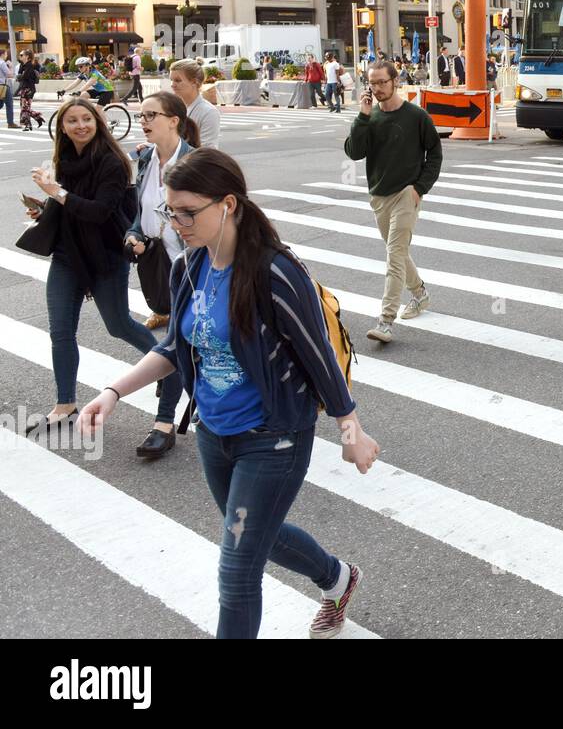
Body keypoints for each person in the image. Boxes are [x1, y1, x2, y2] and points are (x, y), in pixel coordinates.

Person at [80, 148, 378, 639]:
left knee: (237, 572)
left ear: (230, 204)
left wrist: (352, 430)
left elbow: (319, 355)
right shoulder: (190, 269)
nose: (177, 224)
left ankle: (333, 581)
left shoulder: (276, 272)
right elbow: (176, 346)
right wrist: (114, 391)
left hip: (273, 438)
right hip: (213, 434)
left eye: (188, 212)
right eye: (169, 212)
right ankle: (337, 578)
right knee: (258, 536)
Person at [22, 98, 180, 442]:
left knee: (119, 325)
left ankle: (170, 366)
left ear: (98, 122)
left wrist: (56, 192)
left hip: (107, 255)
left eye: (87, 119)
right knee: (60, 331)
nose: (80, 126)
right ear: (62, 127)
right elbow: (67, 205)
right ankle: (65, 403)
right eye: (72, 121)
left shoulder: (112, 161)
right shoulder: (63, 161)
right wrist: (47, 208)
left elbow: (97, 212)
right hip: (69, 256)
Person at [122, 91, 200, 457]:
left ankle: (164, 423)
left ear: (174, 120)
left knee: (175, 341)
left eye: (151, 114)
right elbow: (141, 210)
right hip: (160, 264)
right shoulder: (145, 159)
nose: (144, 121)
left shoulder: (195, 162)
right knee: (182, 341)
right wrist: (135, 232)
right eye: (141, 116)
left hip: (194, 265)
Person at [343, 62, 442, 342]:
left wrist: (419, 188)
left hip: (406, 195)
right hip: (379, 195)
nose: (376, 88)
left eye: (382, 82)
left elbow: (434, 154)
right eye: (372, 83)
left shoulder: (416, 116)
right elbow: (354, 152)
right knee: (397, 252)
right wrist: (361, 117)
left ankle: (385, 321)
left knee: (394, 256)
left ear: (395, 81)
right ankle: (420, 293)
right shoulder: (370, 116)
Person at [168, 59, 221, 148]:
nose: (172, 85)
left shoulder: (209, 112)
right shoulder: (171, 108)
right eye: (171, 80)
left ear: (194, 82)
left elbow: (206, 150)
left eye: (178, 80)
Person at [17, 49, 43, 131]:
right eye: (20, 55)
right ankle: (33, 121)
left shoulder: (29, 65)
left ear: (27, 56)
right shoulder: (22, 65)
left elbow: (23, 77)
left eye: (22, 55)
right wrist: (20, 76)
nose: (20, 56)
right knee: (24, 107)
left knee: (25, 107)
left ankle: (29, 124)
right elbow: (19, 75)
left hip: (29, 88)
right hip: (24, 87)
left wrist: (20, 76)